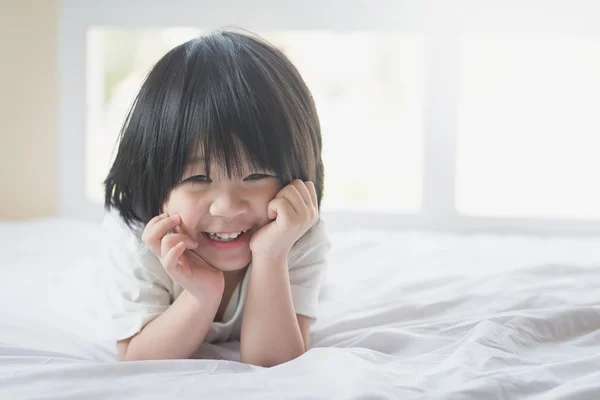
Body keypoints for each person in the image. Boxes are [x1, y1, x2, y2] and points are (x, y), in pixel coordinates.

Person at [100, 28, 330, 367]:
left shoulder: (294, 234)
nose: (227, 206)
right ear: (153, 183)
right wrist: (201, 296)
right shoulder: (137, 237)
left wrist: (270, 256)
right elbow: (136, 360)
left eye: (255, 175)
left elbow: (274, 365)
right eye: (197, 177)